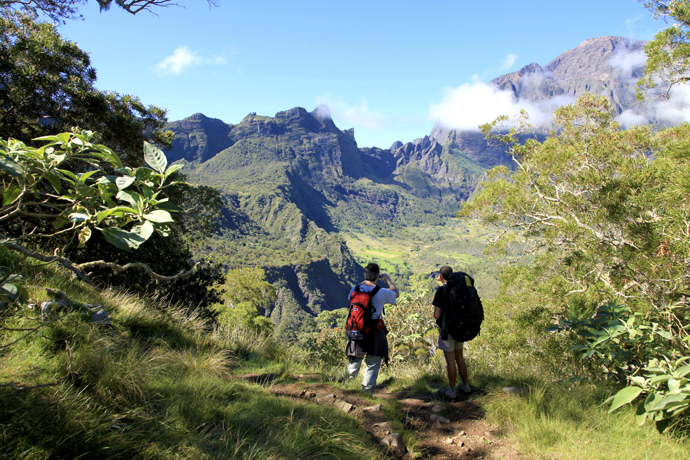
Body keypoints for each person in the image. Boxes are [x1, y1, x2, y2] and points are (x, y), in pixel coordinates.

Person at [347, 262, 399, 394]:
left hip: (357, 329)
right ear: (377, 276)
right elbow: (396, 294)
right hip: (375, 331)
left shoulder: (355, 289)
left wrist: (365, 280)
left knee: (355, 359)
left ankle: (347, 386)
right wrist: (388, 280)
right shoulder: (382, 292)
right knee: (373, 362)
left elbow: (350, 299)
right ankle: (367, 391)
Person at [432, 265, 471, 398]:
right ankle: (465, 385)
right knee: (460, 357)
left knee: (450, 360)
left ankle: (452, 390)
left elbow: (437, 315)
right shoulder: (460, 289)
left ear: (441, 276)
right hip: (460, 329)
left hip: (447, 329)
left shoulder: (441, 291)